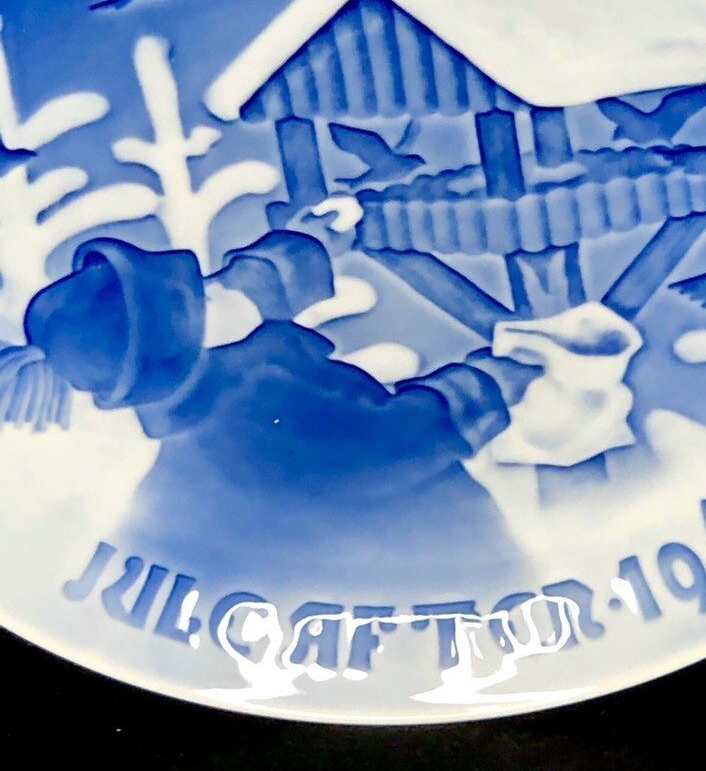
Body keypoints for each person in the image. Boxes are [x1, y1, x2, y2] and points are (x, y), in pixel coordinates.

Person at [7, 231, 519, 597]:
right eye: (203, 294)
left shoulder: (211, 377)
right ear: (187, 344)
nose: (219, 284)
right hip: (409, 570)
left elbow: (248, 289)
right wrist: (488, 383)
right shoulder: (256, 406)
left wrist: (316, 236)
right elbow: (390, 441)